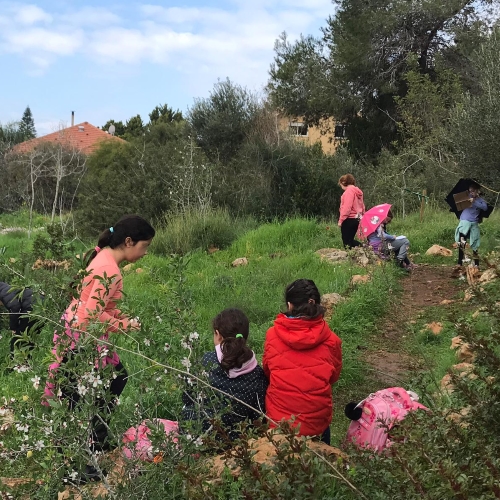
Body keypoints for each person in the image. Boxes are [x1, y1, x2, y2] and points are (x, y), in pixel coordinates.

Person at [44, 215, 155, 459]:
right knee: (78, 395)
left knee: (105, 382)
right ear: (128, 241)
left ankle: (94, 441)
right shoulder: (110, 271)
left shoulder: (102, 256)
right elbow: (92, 314)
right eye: (144, 246)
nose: (145, 252)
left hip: (76, 331)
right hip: (81, 337)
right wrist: (122, 324)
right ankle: (76, 458)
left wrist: (119, 316)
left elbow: (95, 305)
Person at [263, 279, 342, 445]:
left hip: (279, 423)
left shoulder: (272, 335)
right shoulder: (332, 341)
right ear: (316, 305)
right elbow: (333, 377)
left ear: (290, 305)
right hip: (316, 425)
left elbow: (268, 372)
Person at [182, 308, 268, 442]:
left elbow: (187, 396)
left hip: (194, 435)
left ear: (218, 334)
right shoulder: (257, 374)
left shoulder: (204, 361)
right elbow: (258, 415)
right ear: (245, 337)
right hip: (233, 441)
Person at [0, 282, 44, 357]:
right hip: (42, 309)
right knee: (30, 338)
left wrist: (13, 327)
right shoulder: (10, 289)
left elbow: (14, 307)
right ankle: (28, 361)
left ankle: (15, 361)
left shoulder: (4, 294)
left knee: (18, 339)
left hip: (31, 310)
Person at [455, 183, 487, 268]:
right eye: (470, 191)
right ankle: (459, 262)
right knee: (462, 242)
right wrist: (468, 200)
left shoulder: (480, 200)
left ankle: (476, 264)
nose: (471, 193)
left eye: (473, 191)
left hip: (474, 222)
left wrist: (475, 201)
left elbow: (485, 207)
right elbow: (458, 202)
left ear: (477, 191)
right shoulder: (466, 196)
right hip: (464, 221)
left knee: (475, 243)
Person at [338, 174, 365, 248]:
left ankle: (362, 248)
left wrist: (341, 220)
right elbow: (362, 206)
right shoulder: (358, 192)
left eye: (340, 184)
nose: (341, 186)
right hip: (357, 218)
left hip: (349, 219)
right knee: (350, 239)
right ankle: (363, 248)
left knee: (346, 241)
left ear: (343, 182)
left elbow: (347, 208)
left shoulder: (348, 192)